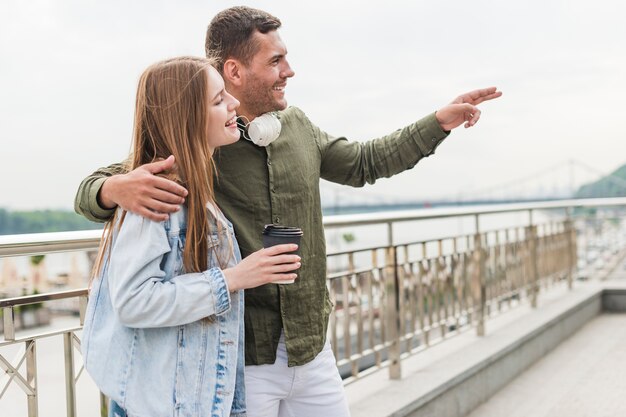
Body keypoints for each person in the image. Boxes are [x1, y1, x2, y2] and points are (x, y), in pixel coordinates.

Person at [75, 7, 502, 417]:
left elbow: (366, 163)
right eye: (276, 60)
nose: (289, 71)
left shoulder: (298, 126)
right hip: (242, 358)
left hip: (311, 348)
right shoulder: (194, 145)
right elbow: (102, 188)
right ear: (235, 71)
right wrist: (111, 188)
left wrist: (437, 123)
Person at [81, 56, 301, 417]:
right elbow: (134, 301)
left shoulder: (191, 191)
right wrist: (235, 277)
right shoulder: (158, 198)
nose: (233, 104)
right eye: (218, 100)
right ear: (187, 119)